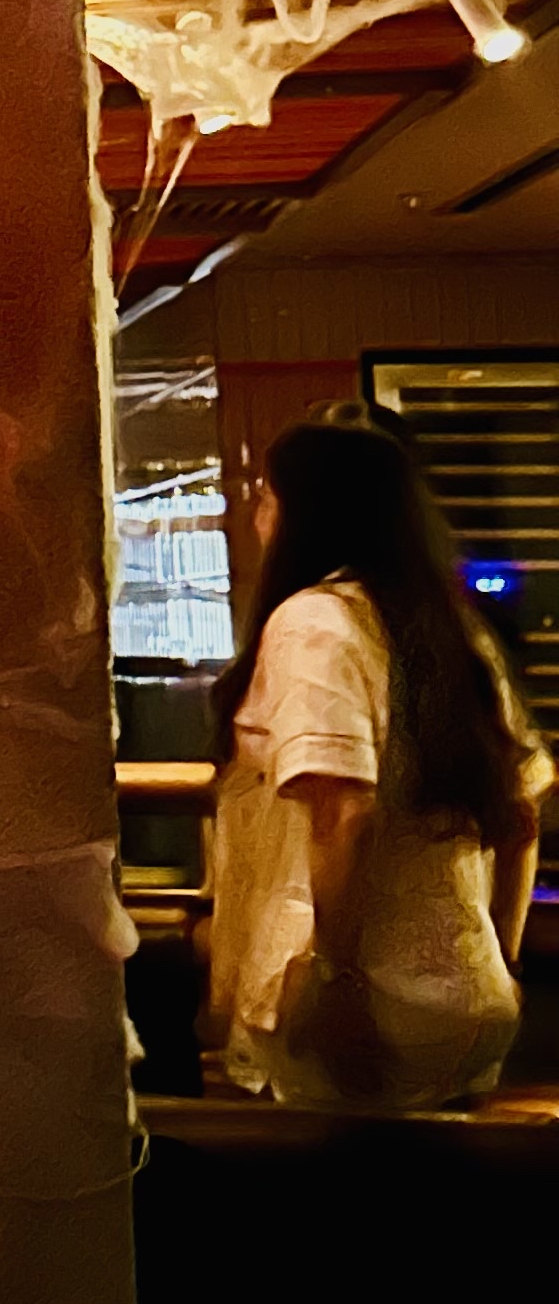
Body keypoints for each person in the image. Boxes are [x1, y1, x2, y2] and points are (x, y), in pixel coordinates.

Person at [207, 411, 546, 1111]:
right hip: (468, 1003)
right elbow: (520, 818)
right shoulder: (451, 633)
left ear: (307, 514)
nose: (257, 515)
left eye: (267, 496)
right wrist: (504, 963)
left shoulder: (313, 624)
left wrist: (335, 985)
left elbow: (344, 810)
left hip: (358, 1017)